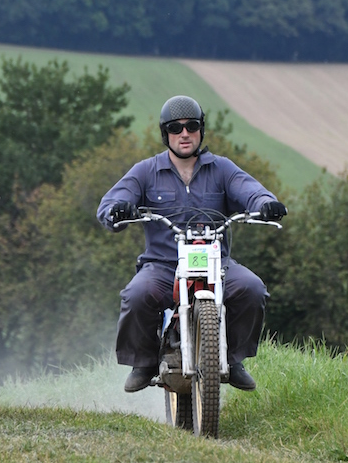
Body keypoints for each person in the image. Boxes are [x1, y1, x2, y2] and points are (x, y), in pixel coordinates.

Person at [97, 94, 286, 393]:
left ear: (201, 130)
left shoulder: (222, 169)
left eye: (191, 126)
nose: (184, 133)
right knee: (136, 295)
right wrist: (117, 210)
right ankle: (144, 362)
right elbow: (110, 204)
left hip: (216, 264)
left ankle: (233, 359)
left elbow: (251, 190)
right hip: (163, 266)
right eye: (175, 128)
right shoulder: (146, 171)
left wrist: (266, 204)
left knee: (252, 289)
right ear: (165, 134)